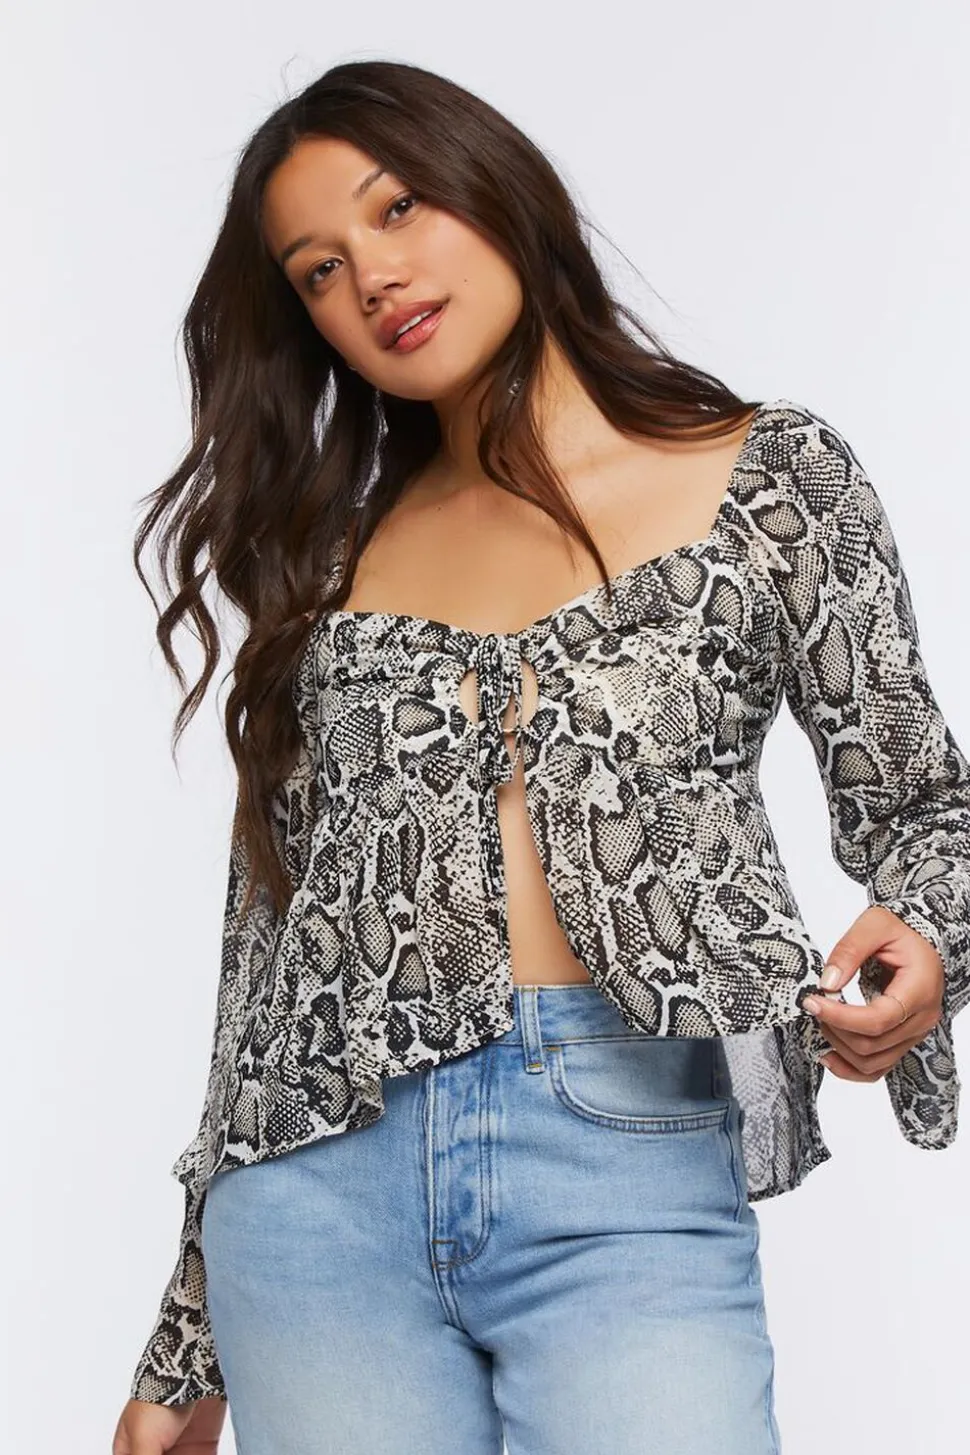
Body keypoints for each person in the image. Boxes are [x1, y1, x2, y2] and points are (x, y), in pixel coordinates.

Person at [111, 58, 970, 1455]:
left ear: (495, 187)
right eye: (319, 269)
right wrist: (185, 1332)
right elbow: (263, 960)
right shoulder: (329, 564)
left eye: (397, 208)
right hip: (313, 1199)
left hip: (620, 1150)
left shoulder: (770, 480)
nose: (373, 277)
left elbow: (928, 806)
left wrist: (928, 934)